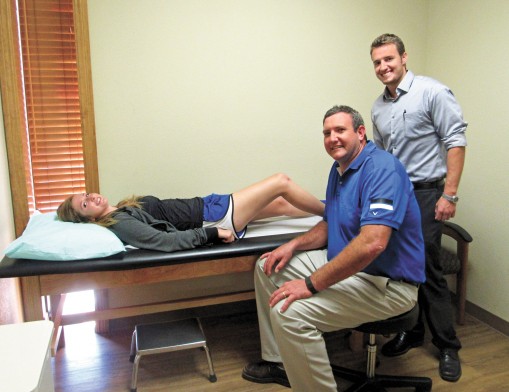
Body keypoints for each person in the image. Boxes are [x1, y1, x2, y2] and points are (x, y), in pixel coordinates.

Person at [241, 105, 425, 391]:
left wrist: (310, 284)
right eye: (327, 133)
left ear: (360, 133)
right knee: (268, 266)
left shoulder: (383, 169)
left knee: (290, 314)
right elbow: (331, 222)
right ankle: (281, 363)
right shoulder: (339, 169)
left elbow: (373, 243)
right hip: (351, 266)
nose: (332, 138)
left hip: (387, 284)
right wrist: (292, 245)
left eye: (340, 130)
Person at [370, 33, 467, 382]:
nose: (383, 67)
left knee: (426, 266)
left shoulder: (432, 92)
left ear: (404, 58)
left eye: (389, 60)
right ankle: (412, 332)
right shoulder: (378, 107)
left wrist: (449, 195)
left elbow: (455, 140)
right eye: (377, 62)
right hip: (394, 196)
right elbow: (382, 156)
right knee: (398, 264)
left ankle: (448, 346)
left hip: (427, 194)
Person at [57, 173, 325, 253]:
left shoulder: (123, 206)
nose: (91, 197)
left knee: (279, 204)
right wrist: (212, 233)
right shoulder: (120, 222)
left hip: (212, 205)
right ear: (89, 219)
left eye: (87, 194)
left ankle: (332, 209)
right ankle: (334, 213)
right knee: (281, 183)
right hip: (215, 218)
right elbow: (164, 241)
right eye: (85, 204)